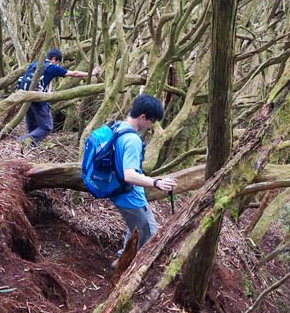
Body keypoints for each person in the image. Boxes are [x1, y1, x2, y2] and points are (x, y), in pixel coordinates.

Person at [108, 94, 177, 266]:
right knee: (148, 237)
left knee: (138, 229)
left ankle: (122, 261)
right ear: (143, 117)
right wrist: (156, 182)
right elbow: (129, 175)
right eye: (151, 121)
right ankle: (129, 269)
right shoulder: (132, 140)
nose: (151, 126)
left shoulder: (118, 127)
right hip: (129, 197)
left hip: (123, 192)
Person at [20, 48, 100, 145]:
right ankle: (22, 141)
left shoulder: (36, 64)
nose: (57, 64)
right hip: (38, 99)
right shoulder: (53, 68)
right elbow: (74, 73)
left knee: (33, 125)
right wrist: (92, 74)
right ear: (54, 59)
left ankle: (31, 144)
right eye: (57, 62)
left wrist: (48, 90)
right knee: (46, 127)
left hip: (25, 95)